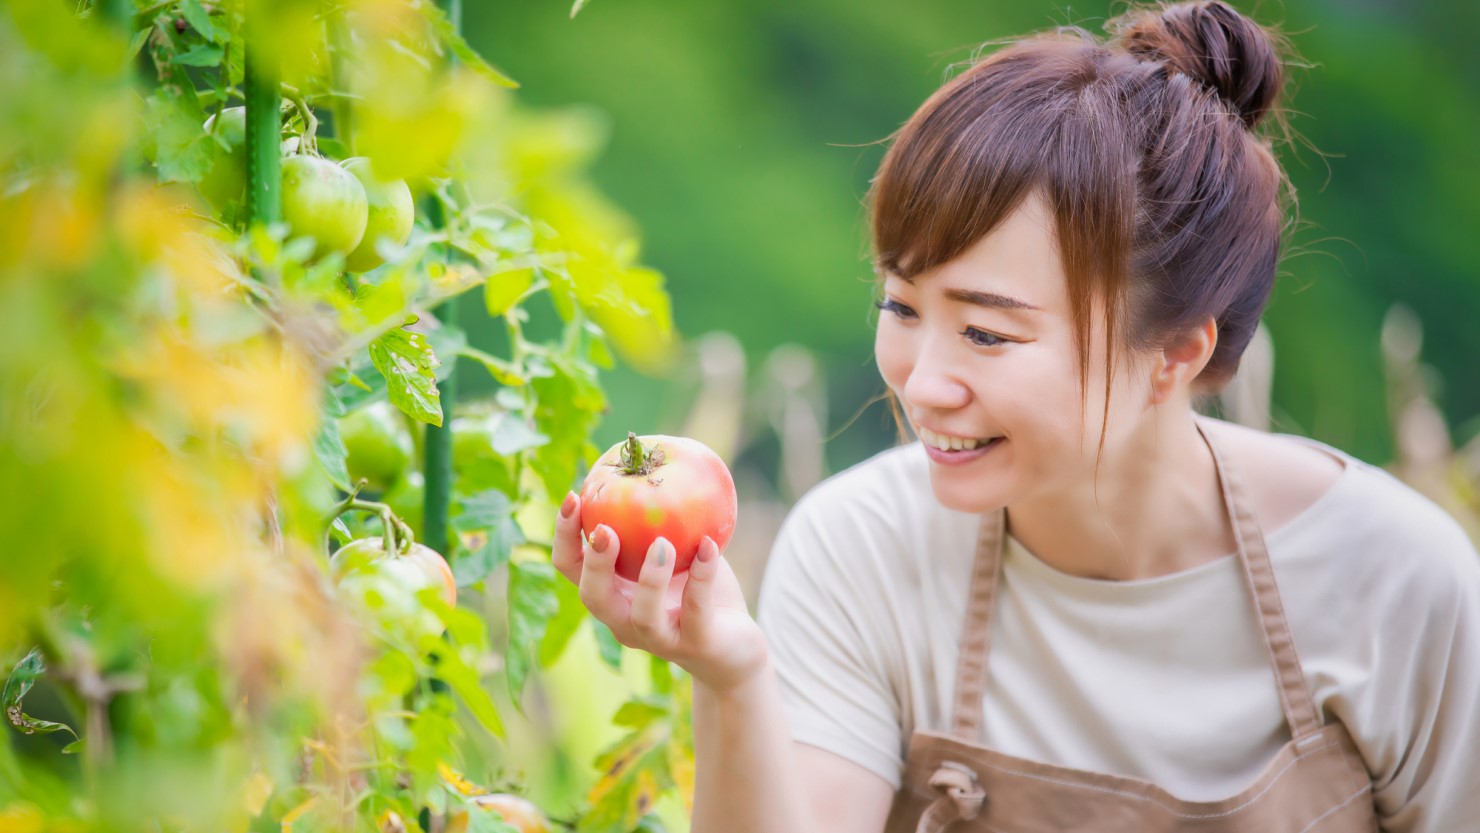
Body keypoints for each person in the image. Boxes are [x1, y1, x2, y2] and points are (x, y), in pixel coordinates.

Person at [551, 2, 1480, 830]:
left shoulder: (1397, 581)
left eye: (988, 334)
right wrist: (731, 678)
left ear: (1174, 353)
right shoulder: (859, 548)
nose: (923, 384)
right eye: (901, 306)